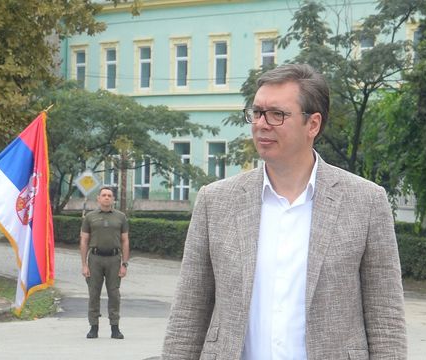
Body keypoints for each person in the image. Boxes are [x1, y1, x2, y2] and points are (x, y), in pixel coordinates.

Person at [162, 64, 406, 359]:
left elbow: (386, 317)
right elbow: (189, 311)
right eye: (257, 112)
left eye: (277, 114)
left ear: (313, 124)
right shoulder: (215, 201)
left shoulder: (366, 202)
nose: (262, 124)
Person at [79, 186, 129, 340]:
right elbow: (84, 240)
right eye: (104, 195)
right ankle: (93, 327)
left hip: (114, 259)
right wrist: (84, 264)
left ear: (113, 199)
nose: (107, 198)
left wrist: (124, 264)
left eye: (109, 195)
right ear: (98, 199)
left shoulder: (121, 217)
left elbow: (125, 240)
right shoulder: (90, 217)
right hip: (95, 259)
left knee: (114, 294)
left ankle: (115, 328)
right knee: (94, 294)